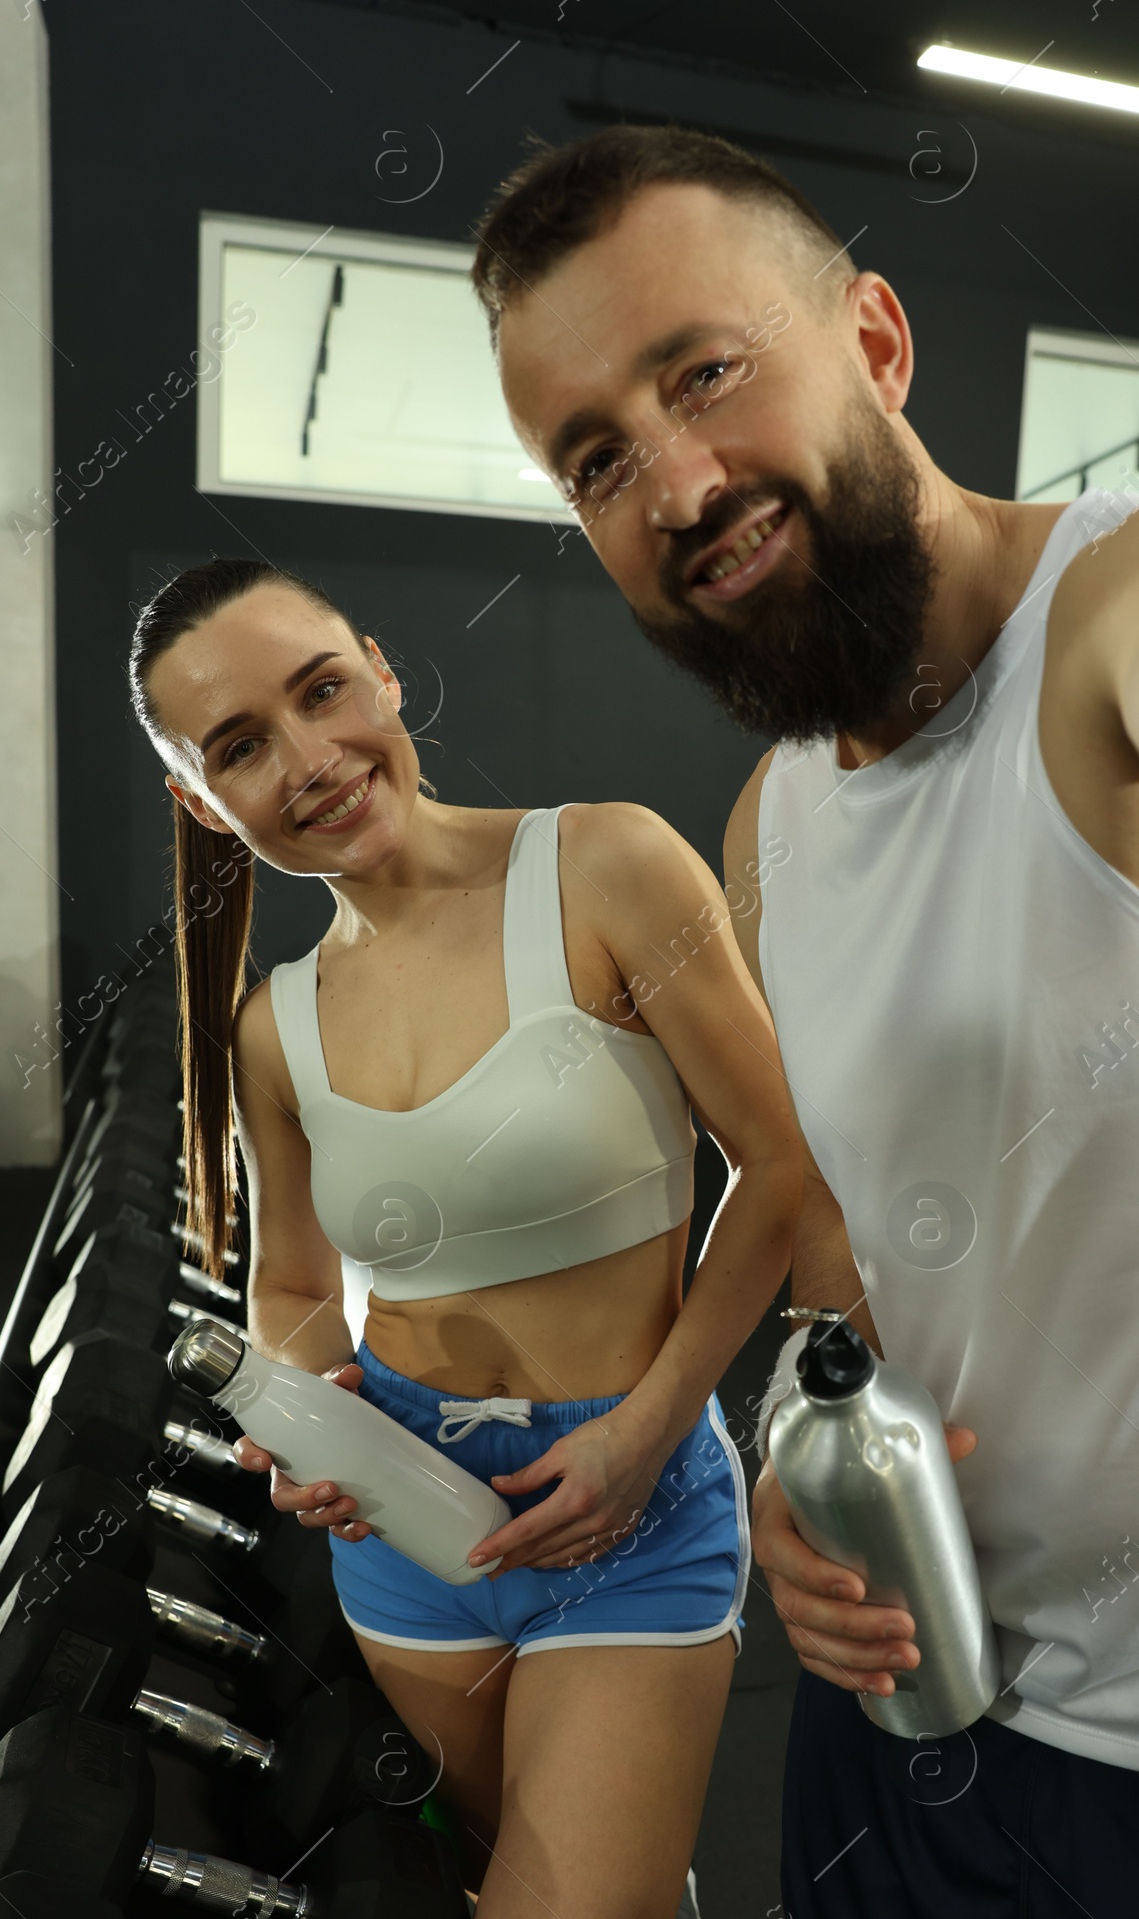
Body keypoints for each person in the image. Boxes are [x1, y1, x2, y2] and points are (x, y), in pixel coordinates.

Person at [464, 1, 1139, 1905]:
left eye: (706, 376)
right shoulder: (776, 825)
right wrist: (801, 1443)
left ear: (877, 341)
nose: (674, 488)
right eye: (594, 459)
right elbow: (857, 1231)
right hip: (939, 1713)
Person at [126, 557, 806, 1919]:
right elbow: (300, 1279)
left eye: (323, 692)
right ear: (203, 799)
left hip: (633, 1498)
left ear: (380, 668)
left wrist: (653, 1427)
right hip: (407, 1527)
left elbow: (788, 1168)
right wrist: (315, 1404)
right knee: (518, 1875)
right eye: (243, 748)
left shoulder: (607, 865)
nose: (312, 759)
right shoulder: (279, 1024)